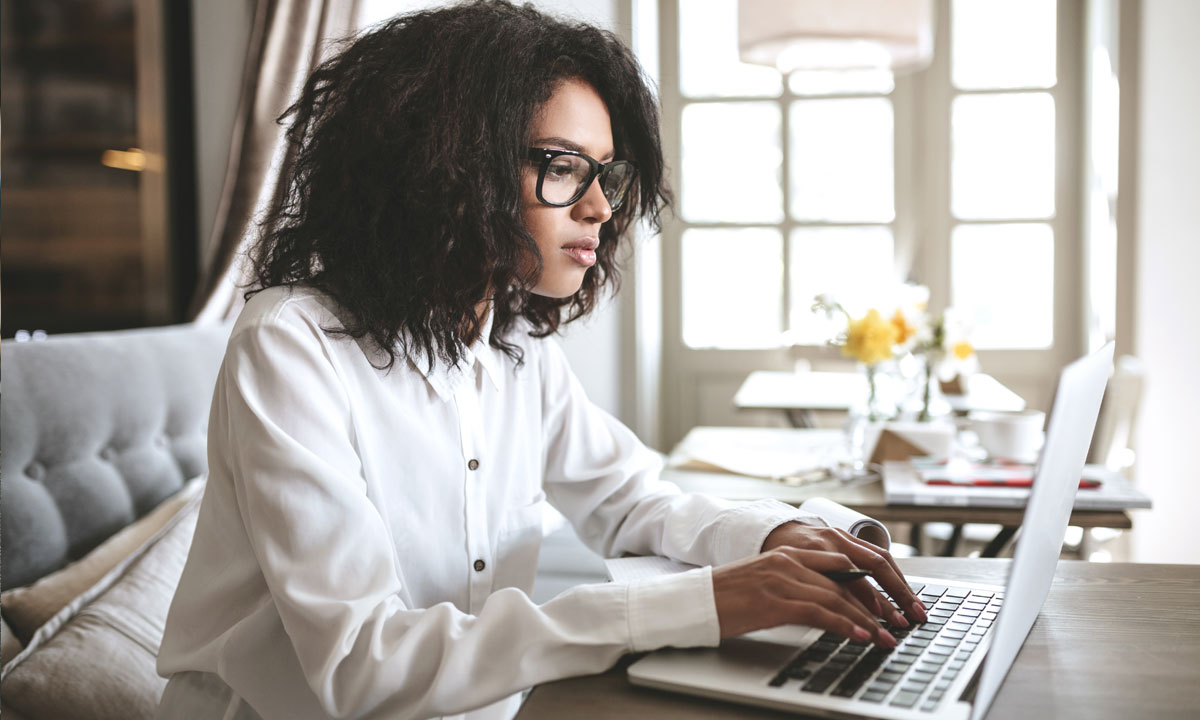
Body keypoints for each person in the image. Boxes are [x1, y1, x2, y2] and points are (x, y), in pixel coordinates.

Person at [156, 2, 926, 719]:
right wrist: (701, 606)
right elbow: (361, 662)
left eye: (608, 174)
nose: (600, 207)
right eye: (563, 167)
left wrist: (768, 539)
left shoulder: (514, 340)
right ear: (449, 166)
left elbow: (631, 500)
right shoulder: (291, 343)